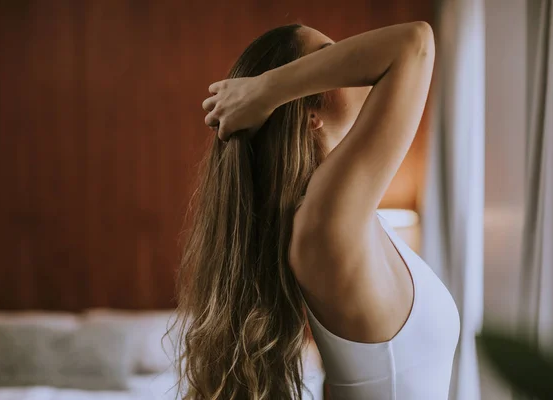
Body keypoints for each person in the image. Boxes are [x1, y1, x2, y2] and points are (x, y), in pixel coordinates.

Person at [172, 22, 460, 399]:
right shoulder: (325, 219)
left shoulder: (339, 214)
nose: (352, 63)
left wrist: (267, 91)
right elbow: (414, 44)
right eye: (331, 57)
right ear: (309, 115)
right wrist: (265, 91)